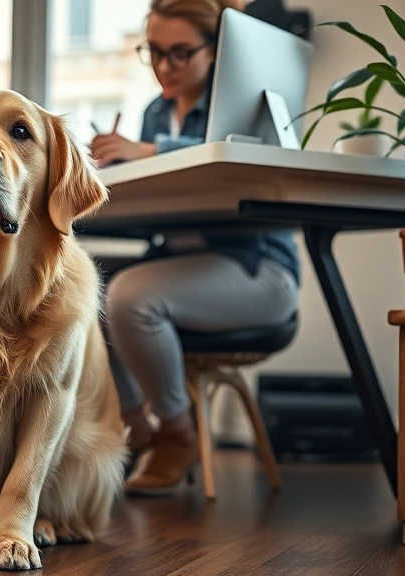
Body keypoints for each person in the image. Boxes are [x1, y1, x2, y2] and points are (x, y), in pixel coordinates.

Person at [90, 0, 300, 495]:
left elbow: (247, 157)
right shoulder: (154, 112)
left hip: (259, 272)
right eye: (155, 52)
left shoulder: (246, 109)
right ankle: (133, 424)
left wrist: (150, 152)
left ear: (216, 50)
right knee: (80, 283)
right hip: (179, 265)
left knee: (129, 296)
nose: (165, 66)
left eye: (181, 53)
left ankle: (177, 433)